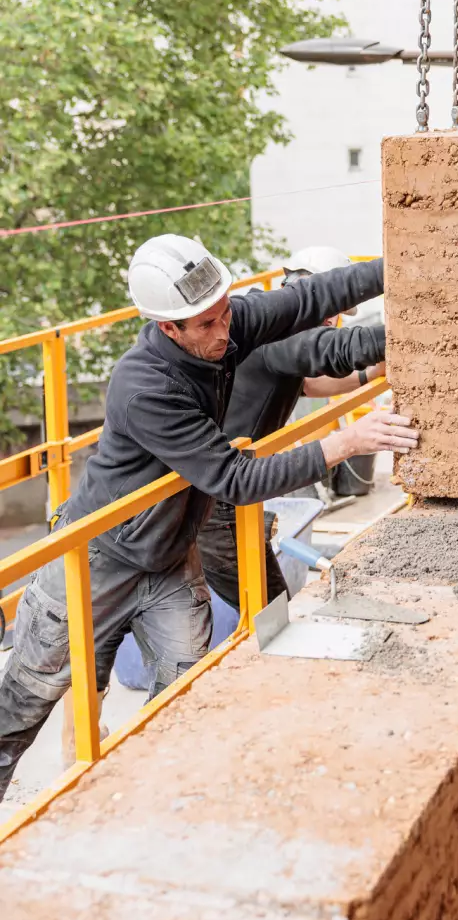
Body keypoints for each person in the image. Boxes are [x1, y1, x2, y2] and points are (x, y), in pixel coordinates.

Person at [0, 234, 417, 801]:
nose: (224, 332)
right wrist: (346, 442)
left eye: (225, 314)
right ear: (168, 327)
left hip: (171, 553)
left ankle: (147, 800)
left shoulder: (222, 323)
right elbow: (235, 478)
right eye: (206, 324)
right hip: (96, 558)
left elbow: (310, 298)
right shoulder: (146, 387)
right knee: (25, 704)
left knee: (186, 698)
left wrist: (407, 261)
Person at [198, 245, 386, 612]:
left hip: (228, 485)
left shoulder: (268, 326)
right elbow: (336, 351)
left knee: (257, 600)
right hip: (217, 500)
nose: (334, 321)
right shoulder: (278, 336)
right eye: (334, 311)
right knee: (269, 606)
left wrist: (370, 375)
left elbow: (308, 384)